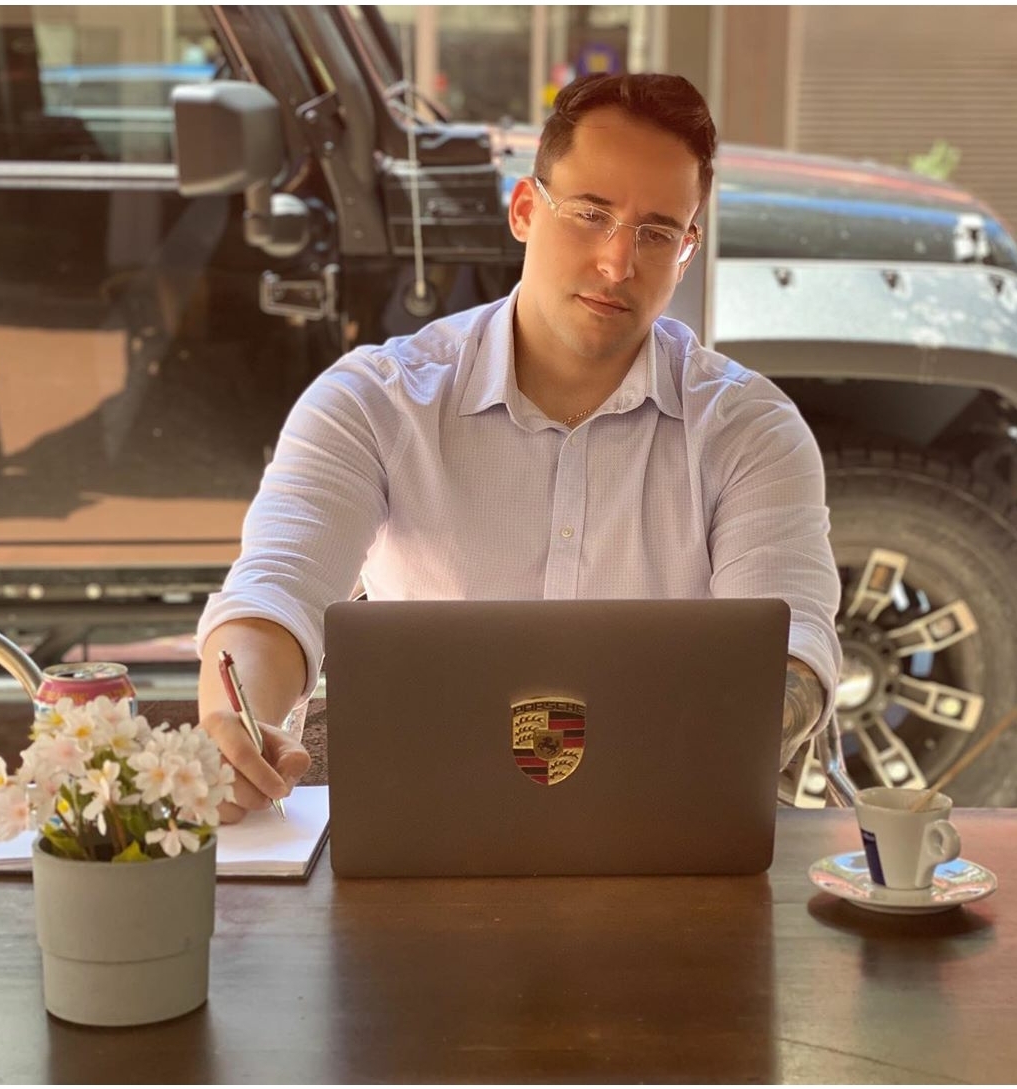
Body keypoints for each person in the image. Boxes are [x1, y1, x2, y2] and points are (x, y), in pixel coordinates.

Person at [196, 72, 841, 823]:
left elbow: (794, 641)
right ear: (526, 210)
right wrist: (238, 721)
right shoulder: (376, 401)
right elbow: (277, 589)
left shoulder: (749, 430)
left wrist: (724, 742)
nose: (618, 263)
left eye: (658, 232)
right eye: (592, 214)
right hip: (429, 827)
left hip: (661, 830)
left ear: (687, 249)